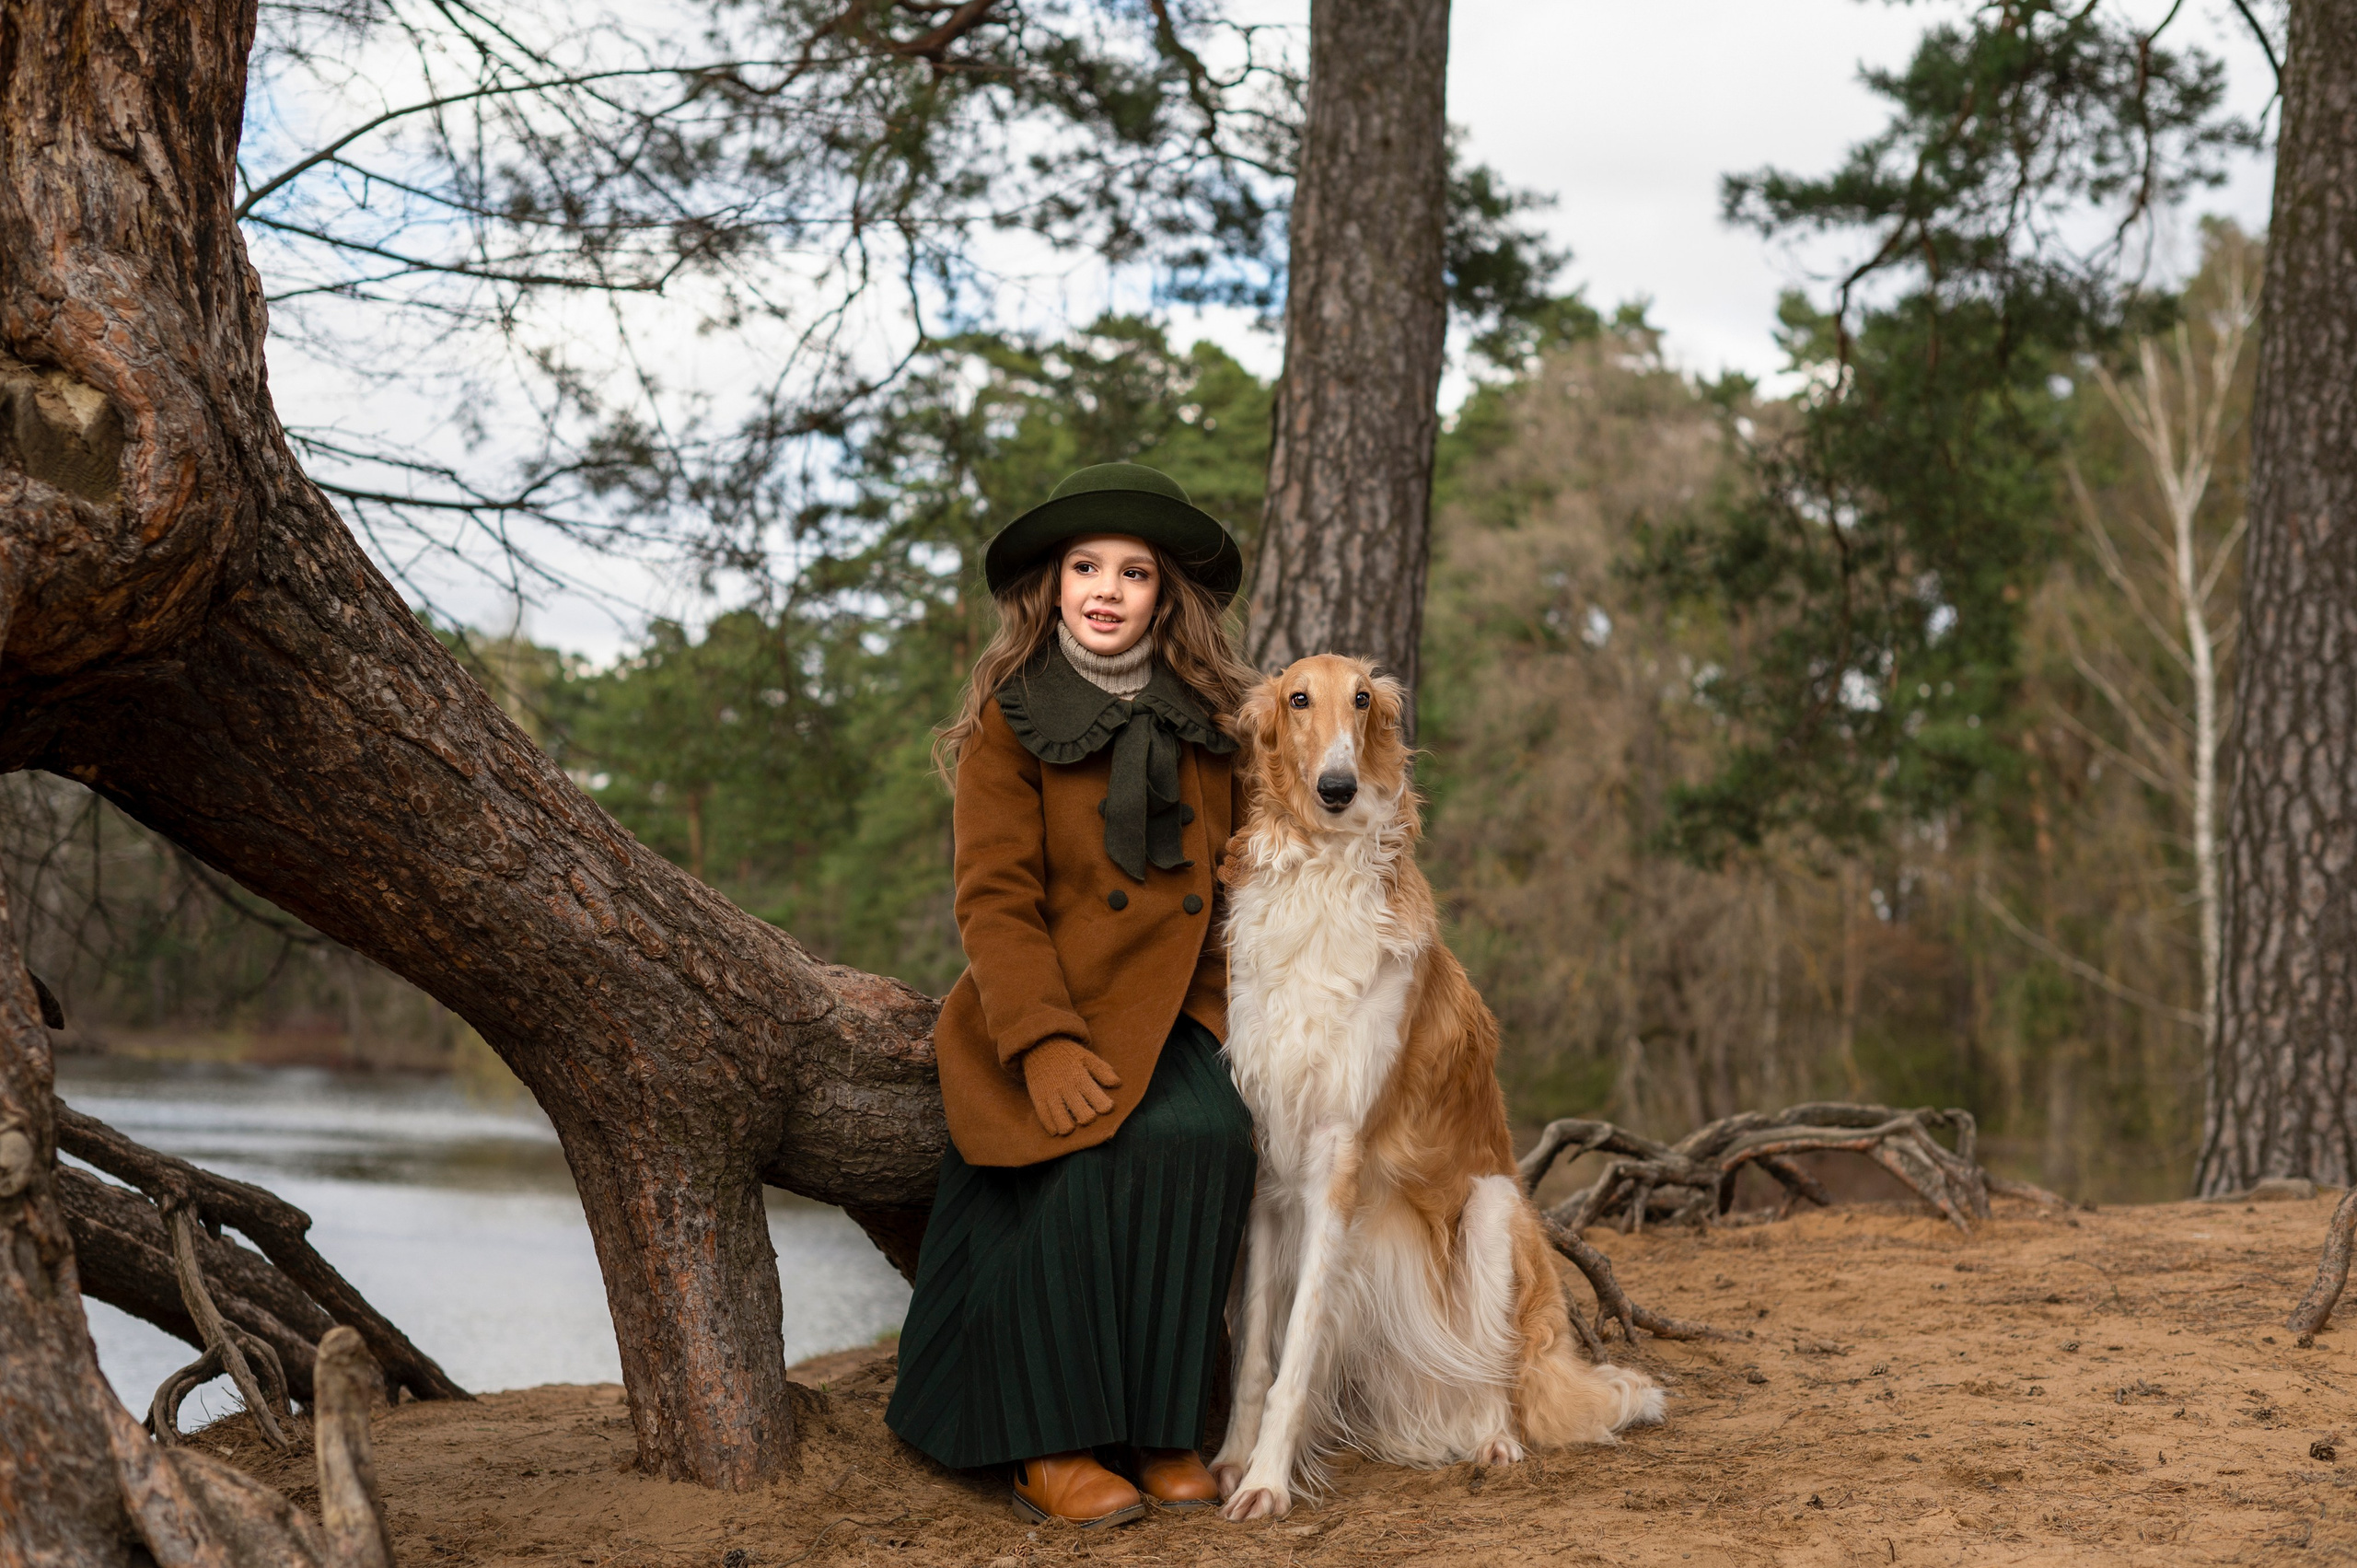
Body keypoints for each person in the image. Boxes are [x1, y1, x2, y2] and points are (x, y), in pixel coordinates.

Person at [884, 462, 1260, 1528]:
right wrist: (1041, 1038)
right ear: (1051, 589)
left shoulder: (1213, 720)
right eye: (1083, 567)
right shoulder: (1013, 719)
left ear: (1163, 594)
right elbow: (993, 899)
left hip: (1178, 1008)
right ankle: (1045, 1440)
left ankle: (1162, 1422)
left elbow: (1239, 878)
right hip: (1044, 1005)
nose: (1104, 587)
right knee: (1084, 1153)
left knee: (1206, 1138)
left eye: (1131, 571)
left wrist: (1224, 1020)